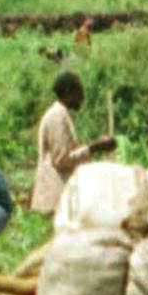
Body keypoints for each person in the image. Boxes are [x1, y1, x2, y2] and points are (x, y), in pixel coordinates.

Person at [32, 71, 116, 213]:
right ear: (68, 92)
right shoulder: (57, 116)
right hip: (54, 199)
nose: (82, 98)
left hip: (59, 200)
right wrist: (95, 147)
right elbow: (61, 160)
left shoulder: (61, 114)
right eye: (79, 93)